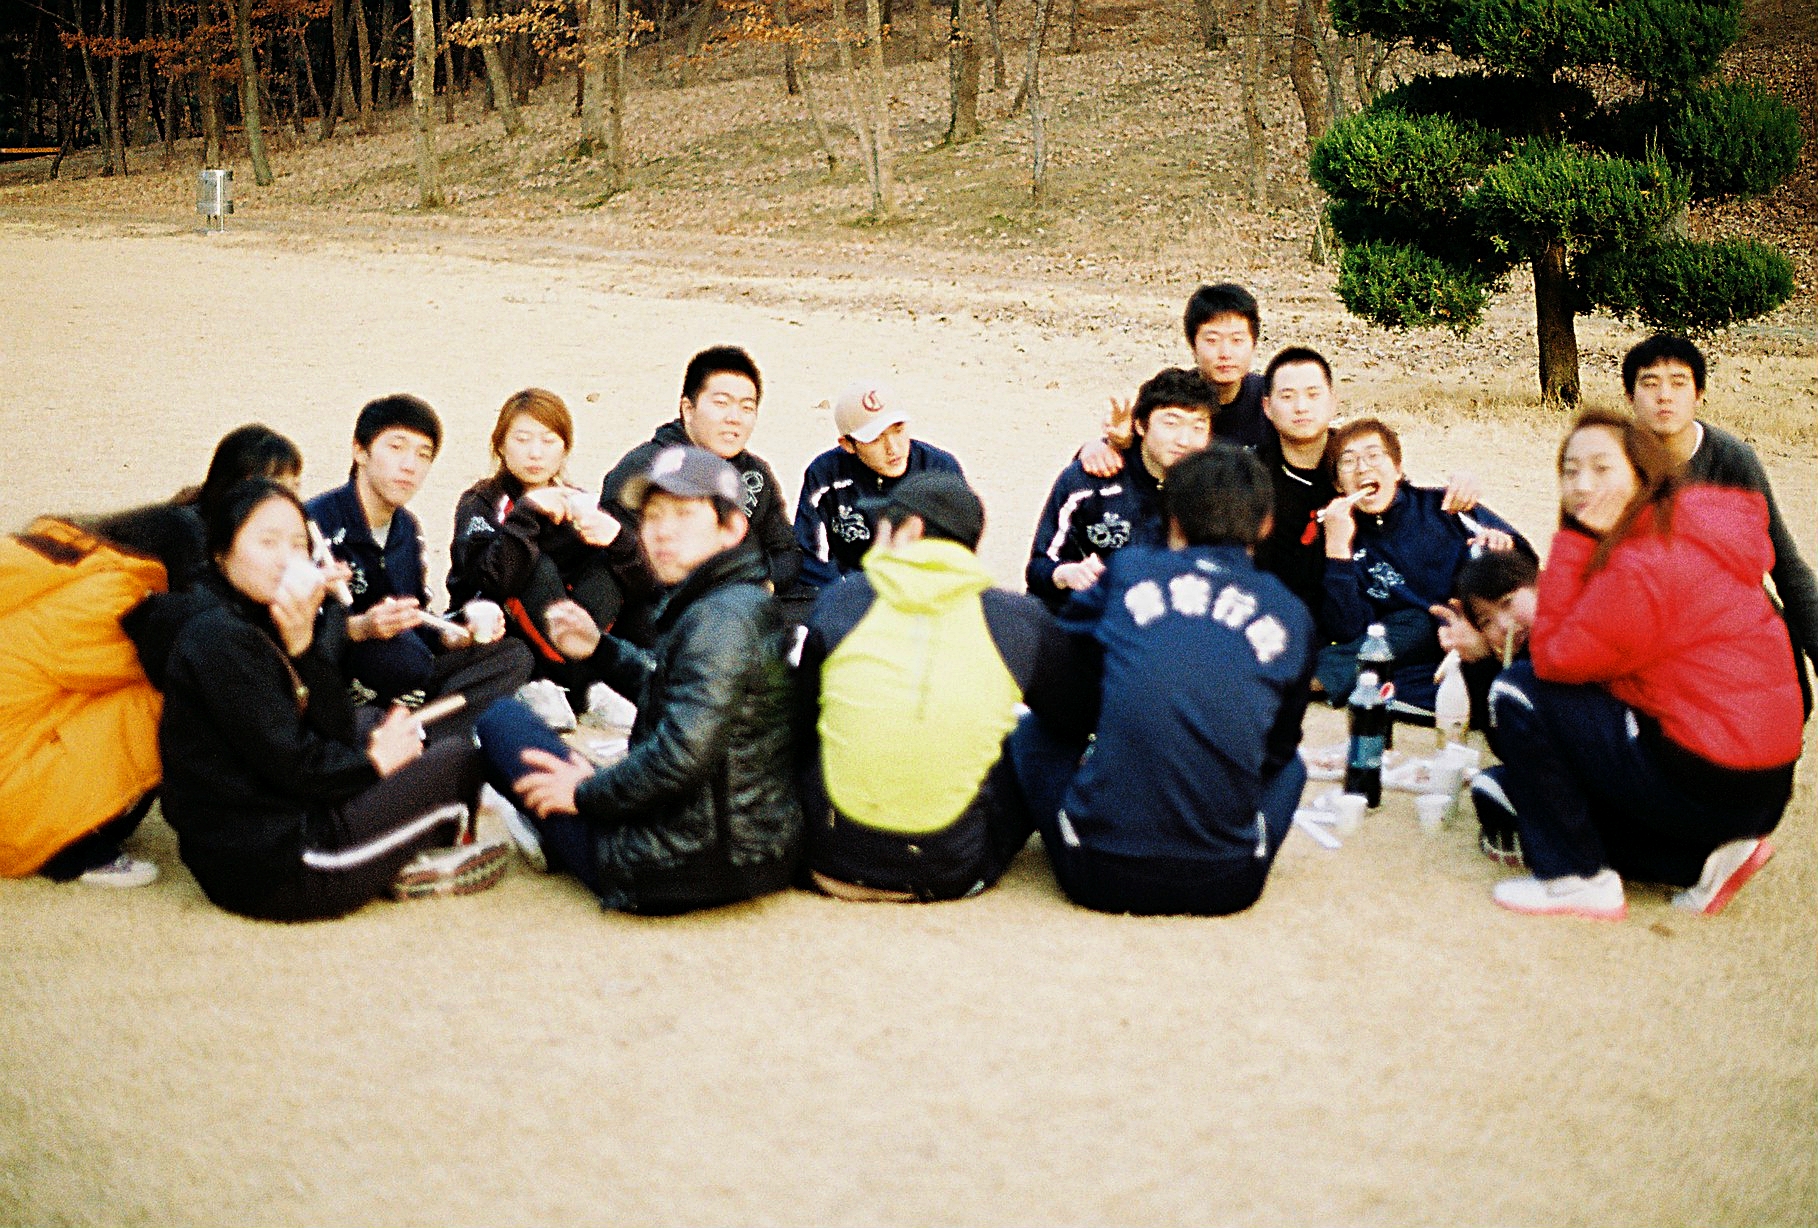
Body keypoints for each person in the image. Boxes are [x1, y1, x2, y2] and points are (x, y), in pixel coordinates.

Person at [125, 478, 511, 921]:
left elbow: (336, 728)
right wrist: (375, 765)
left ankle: (395, 847)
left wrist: (306, 647)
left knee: (371, 722)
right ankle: (422, 850)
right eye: (267, 542)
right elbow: (293, 762)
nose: (286, 558)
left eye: (297, 544)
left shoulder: (259, 613)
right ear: (221, 552)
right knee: (458, 761)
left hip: (272, 821)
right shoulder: (219, 638)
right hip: (277, 866)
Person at [1486, 410, 1803, 920]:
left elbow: (1553, 659)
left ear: (1642, 472)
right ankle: (1704, 861)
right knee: (1522, 789)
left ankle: (1577, 879)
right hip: (1761, 781)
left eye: (1601, 468)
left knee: (1517, 691)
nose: (1581, 485)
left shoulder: (1643, 563)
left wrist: (1572, 539)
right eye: (1570, 470)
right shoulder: (1689, 527)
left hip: (1707, 771)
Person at [475, 445, 803, 915]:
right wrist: (600, 650)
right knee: (580, 760)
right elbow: (677, 691)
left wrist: (584, 794)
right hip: (754, 851)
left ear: (732, 529)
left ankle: (544, 831)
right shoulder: (733, 601)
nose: (663, 531)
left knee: (500, 721)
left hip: (674, 865)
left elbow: (679, 758)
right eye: (653, 515)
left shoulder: (719, 619)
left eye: (684, 514)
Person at [1007, 445, 1316, 916]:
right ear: (1267, 524)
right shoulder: (1289, 612)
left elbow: (1061, 677)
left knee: (1033, 733)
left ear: (1172, 518)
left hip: (1097, 873)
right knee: (1292, 768)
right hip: (1228, 883)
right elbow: (1276, 751)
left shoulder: (1128, 572)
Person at [0, 424, 309, 889]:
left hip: (19, 743)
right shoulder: (117, 596)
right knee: (176, 698)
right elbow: (199, 662)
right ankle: (69, 844)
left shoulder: (111, 561)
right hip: (10, 806)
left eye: (294, 490)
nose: (289, 508)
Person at [795, 471, 1079, 902]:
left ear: (911, 529)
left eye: (883, 525)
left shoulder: (842, 599)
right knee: (1028, 733)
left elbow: (800, 720)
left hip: (829, 854)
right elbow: (1074, 719)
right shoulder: (1018, 618)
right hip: (947, 867)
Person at [306, 394, 531, 732]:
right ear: (360, 451)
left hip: (409, 670)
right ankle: (423, 729)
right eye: (396, 447)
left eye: (423, 454)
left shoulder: (407, 529)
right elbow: (289, 635)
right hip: (344, 678)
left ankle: (422, 731)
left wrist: (455, 636)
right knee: (393, 658)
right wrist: (361, 627)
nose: (409, 465)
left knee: (513, 655)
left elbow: (419, 621)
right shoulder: (314, 524)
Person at [1621, 332, 1816, 713]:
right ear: (1630, 396)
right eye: (1650, 383)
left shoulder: (1732, 460)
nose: (1664, 396)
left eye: (1679, 383)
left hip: (1738, 630)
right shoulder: (1611, 463)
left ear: (1699, 394)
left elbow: (1786, 568)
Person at [1315, 417, 1526, 715]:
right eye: (1348, 462)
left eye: (1374, 455)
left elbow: (1528, 567)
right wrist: (1337, 549)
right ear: (1339, 484)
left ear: (1397, 469)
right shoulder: (1346, 535)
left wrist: (1502, 547)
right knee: (1410, 632)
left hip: (1483, 633)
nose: (1362, 468)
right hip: (1416, 651)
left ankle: (1310, 679)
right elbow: (1350, 630)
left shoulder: (1445, 506)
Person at [446, 388, 644, 687]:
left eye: (548, 441)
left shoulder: (578, 502)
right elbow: (491, 581)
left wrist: (618, 540)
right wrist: (527, 512)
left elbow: (647, 588)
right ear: (500, 446)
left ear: (565, 449)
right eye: (522, 439)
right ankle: (578, 683)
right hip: (498, 632)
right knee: (537, 568)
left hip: (570, 639)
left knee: (608, 568)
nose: (535, 453)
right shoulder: (482, 502)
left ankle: (577, 678)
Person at [600, 346, 801, 639]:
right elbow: (626, 563)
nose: (734, 417)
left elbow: (787, 553)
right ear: (688, 408)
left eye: (747, 407)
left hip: (740, 599)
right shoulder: (646, 472)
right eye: (721, 403)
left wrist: (755, 584)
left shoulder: (755, 473)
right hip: (659, 609)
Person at [1026, 367, 1215, 611]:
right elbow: (1038, 568)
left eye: (1198, 427)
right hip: (1092, 617)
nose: (1184, 440)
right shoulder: (1089, 481)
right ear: (1140, 426)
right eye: (1171, 423)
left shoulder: (1216, 493)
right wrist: (1066, 574)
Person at [790, 379, 964, 603]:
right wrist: (856, 594)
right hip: (848, 594)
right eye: (875, 438)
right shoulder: (826, 475)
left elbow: (957, 554)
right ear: (848, 444)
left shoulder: (940, 470)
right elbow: (810, 555)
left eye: (898, 430)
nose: (893, 448)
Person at [1433, 548, 1540, 867]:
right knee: (1491, 784)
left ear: (1539, 586)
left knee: (1497, 784)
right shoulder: (1513, 658)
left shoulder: (1567, 635)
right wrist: (1477, 661)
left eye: (1508, 603)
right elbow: (1507, 746)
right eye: (1486, 621)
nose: (1505, 625)